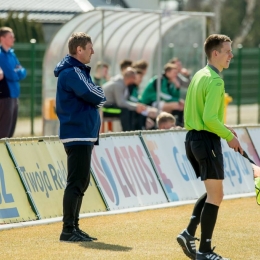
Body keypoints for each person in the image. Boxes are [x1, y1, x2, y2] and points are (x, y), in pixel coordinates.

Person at [176, 34, 243, 260]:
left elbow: (203, 116)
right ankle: (204, 251)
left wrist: (224, 127)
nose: (231, 56)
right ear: (215, 53)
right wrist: (228, 136)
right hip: (206, 141)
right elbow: (210, 119)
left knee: (212, 193)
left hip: (193, 139)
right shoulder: (215, 80)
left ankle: (188, 234)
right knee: (217, 195)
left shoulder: (199, 75)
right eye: (227, 52)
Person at [54, 32, 106, 242]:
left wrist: (98, 93)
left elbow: (93, 94)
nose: (93, 51)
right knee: (76, 182)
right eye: (90, 47)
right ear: (79, 49)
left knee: (81, 182)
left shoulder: (77, 71)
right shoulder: (72, 72)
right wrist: (100, 93)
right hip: (77, 132)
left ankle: (74, 227)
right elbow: (95, 95)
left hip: (82, 133)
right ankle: (68, 230)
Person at [0, 27, 27, 138]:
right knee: (4, 132)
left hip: (14, 96)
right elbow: (11, 74)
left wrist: (17, 71)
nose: (13, 39)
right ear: (2, 38)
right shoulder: (1, 55)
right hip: (6, 96)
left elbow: (23, 71)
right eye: (10, 37)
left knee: (10, 132)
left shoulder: (12, 54)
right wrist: (17, 71)